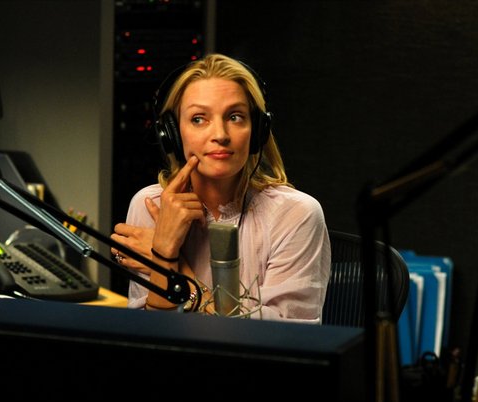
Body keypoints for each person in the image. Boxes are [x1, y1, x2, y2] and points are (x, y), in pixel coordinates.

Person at [111, 53, 331, 323]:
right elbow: (149, 333)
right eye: (198, 119)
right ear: (172, 135)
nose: (220, 135)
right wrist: (166, 248)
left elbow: (283, 338)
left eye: (235, 117)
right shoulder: (151, 205)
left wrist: (176, 269)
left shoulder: (296, 214)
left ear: (257, 130)